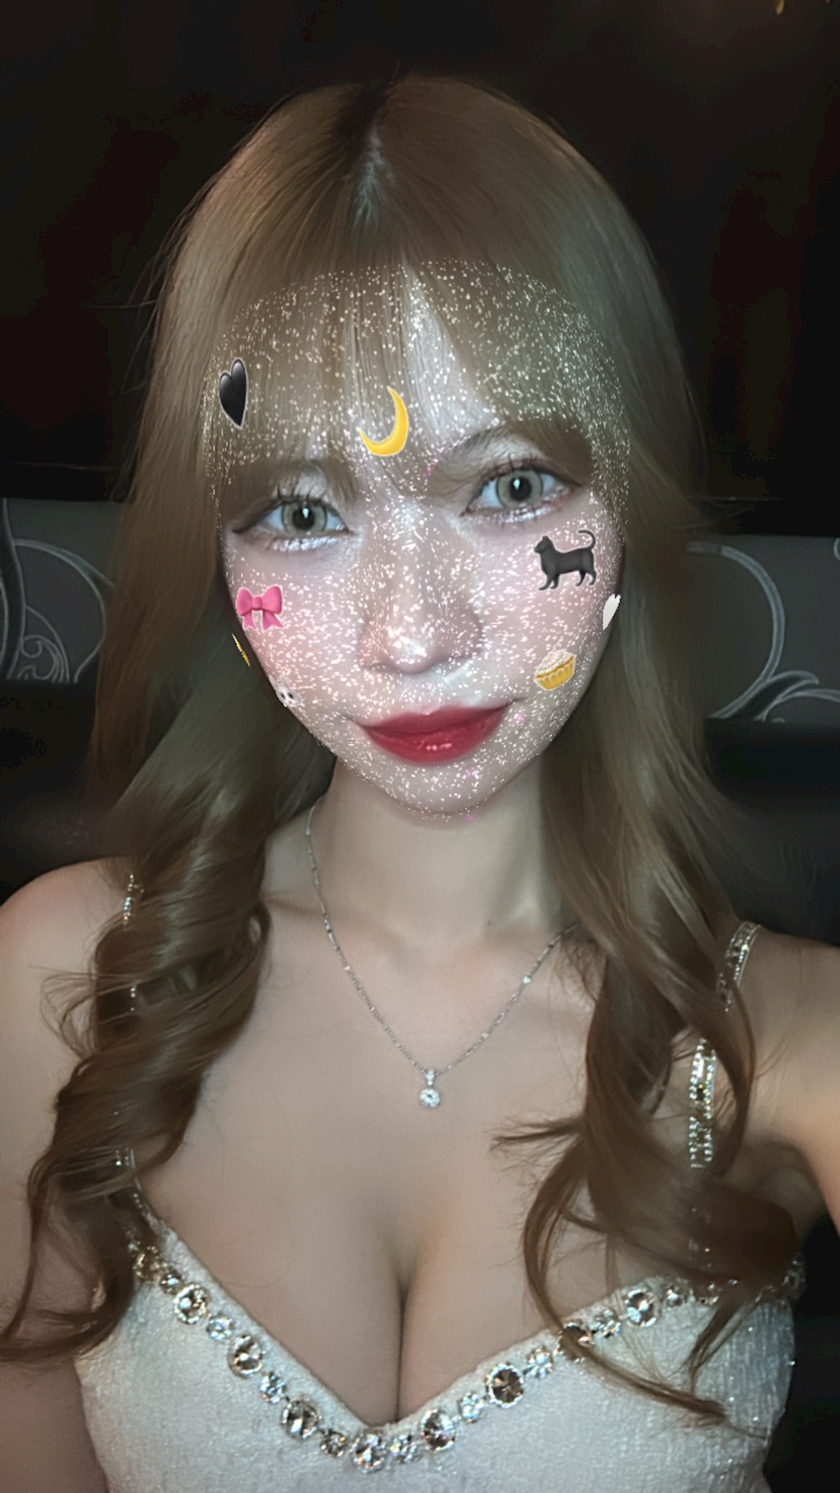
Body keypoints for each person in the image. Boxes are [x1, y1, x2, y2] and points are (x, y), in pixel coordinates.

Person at [1, 71, 838, 1493]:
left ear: (626, 504)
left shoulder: (793, 1042)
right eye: (302, 510)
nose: (411, 635)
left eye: (509, 486)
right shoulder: (64, 979)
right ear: (220, 552)